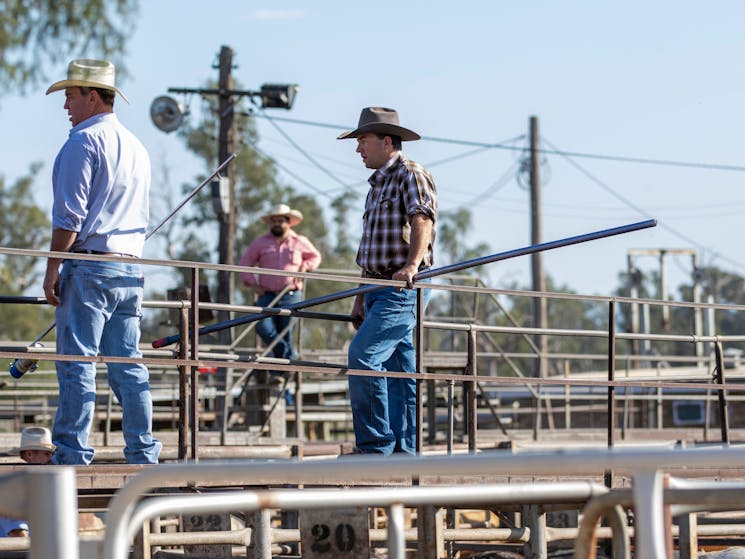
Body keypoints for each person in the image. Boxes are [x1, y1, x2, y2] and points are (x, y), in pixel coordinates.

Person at [42, 59, 161, 465]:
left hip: (91, 265)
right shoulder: (136, 146)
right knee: (128, 365)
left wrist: (52, 267)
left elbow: (69, 218)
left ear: (92, 97)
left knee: (77, 361)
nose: (66, 106)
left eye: (70, 96)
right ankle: (143, 451)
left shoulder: (82, 142)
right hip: (130, 267)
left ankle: (73, 452)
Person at [337, 107, 438, 455]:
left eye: (363, 140)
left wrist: (412, 265)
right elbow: (372, 246)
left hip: (400, 288)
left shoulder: (411, 174)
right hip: (378, 287)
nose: (358, 148)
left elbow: (422, 219)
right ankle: (403, 449)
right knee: (399, 368)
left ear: (386, 141)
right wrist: (360, 297)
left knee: (363, 357)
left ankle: (375, 446)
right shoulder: (376, 186)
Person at [238, 204, 322, 365]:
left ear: (288, 222)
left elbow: (315, 257)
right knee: (262, 326)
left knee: (286, 333)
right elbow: (244, 264)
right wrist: (252, 284)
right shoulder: (260, 243)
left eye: (280, 220)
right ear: (270, 223)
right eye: (274, 221)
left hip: (291, 294)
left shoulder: (299, 241)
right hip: (266, 294)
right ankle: (289, 357)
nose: (277, 224)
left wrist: (305, 266)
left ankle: (280, 374)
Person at [0, 427, 55, 537]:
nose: (51, 458)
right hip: (15, 551)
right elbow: (18, 533)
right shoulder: (15, 488)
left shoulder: (18, 483)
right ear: (29, 454)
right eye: (47, 454)